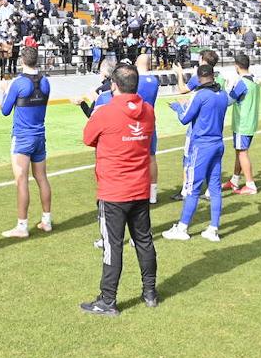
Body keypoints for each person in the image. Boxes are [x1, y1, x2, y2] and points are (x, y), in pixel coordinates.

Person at [80, 63, 158, 316]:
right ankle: (150, 292)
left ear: (114, 85)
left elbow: (88, 138)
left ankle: (108, 299)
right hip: (139, 187)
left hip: (114, 190)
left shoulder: (105, 111)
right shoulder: (147, 110)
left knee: (113, 246)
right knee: (144, 241)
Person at [162, 64, 228, 242]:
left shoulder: (200, 95)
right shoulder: (222, 94)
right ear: (213, 76)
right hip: (218, 143)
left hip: (202, 146)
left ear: (198, 78)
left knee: (192, 187)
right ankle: (213, 228)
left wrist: (177, 108)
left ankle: (182, 227)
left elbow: (185, 119)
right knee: (214, 188)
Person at [0, 46, 53, 238]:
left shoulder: (18, 83)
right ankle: (46, 220)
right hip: (39, 135)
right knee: (42, 177)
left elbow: (5, 110)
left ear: (22, 60)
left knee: (21, 179)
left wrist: (5, 91)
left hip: (22, 138)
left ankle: (22, 226)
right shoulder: (46, 82)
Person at [225, 52, 261, 195]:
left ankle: (250, 184)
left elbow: (229, 101)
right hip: (250, 121)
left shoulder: (242, 83)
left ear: (236, 66)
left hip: (242, 123)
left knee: (242, 153)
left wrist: (226, 87)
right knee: (239, 152)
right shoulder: (254, 80)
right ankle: (234, 180)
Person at [134, 53, 161, 204]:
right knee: (151, 157)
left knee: (135, 157)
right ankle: (153, 193)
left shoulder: (136, 80)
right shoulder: (154, 81)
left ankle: (139, 191)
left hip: (137, 122)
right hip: (151, 121)